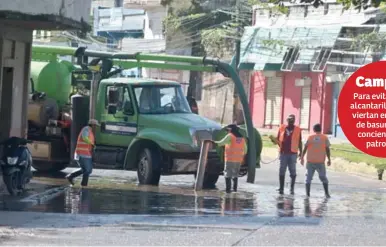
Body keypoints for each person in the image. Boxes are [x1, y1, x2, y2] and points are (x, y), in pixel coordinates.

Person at [271, 114, 302, 195]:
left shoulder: (298, 129)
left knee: (293, 171)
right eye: (289, 119)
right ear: (287, 120)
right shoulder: (282, 128)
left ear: (294, 120)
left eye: (292, 120)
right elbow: (278, 140)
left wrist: (301, 152)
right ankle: (281, 188)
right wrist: (273, 140)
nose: (291, 121)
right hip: (283, 153)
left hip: (293, 153)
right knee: (282, 170)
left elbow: (299, 141)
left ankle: (292, 189)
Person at [66, 119, 100, 187]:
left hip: (86, 154)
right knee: (87, 170)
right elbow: (84, 138)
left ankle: (70, 176)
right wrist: (92, 144)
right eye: (95, 126)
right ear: (93, 125)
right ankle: (84, 185)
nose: (96, 127)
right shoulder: (86, 129)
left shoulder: (90, 131)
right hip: (82, 153)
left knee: (86, 170)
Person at [214, 124, 247, 193]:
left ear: (231, 130)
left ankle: (228, 190)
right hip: (238, 160)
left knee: (227, 173)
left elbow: (221, 143)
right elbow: (245, 150)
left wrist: (212, 142)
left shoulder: (230, 136)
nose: (227, 132)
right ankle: (235, 190)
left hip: (230, 159)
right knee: (235, 174)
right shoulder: (242, 138)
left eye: (228, 130)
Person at [300, 123, 331, 198]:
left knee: (308, 178)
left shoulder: (310, 137)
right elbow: (327, 149)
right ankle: (326, 193)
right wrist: (329, 159)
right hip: (320, 162)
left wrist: (302, 157)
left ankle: (307, 194)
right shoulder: (325, 138)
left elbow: (305, 148)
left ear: (314, 130)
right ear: (321, 129)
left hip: (310, 161)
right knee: (323, 177)